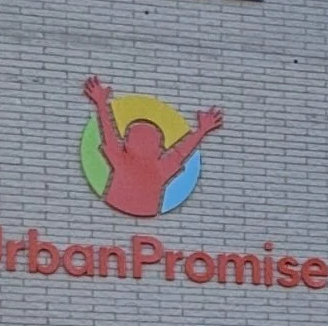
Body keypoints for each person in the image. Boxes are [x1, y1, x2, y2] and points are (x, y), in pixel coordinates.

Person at [83, 75, 224, 218]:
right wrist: (202, 130)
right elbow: (180, 152)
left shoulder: (152, 166)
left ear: (159, 149)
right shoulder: (134, 162)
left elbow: (180, 152)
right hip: (124, 212)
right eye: (139, 139)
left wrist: (101, 104)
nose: (143, 144)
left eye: (148, 141)